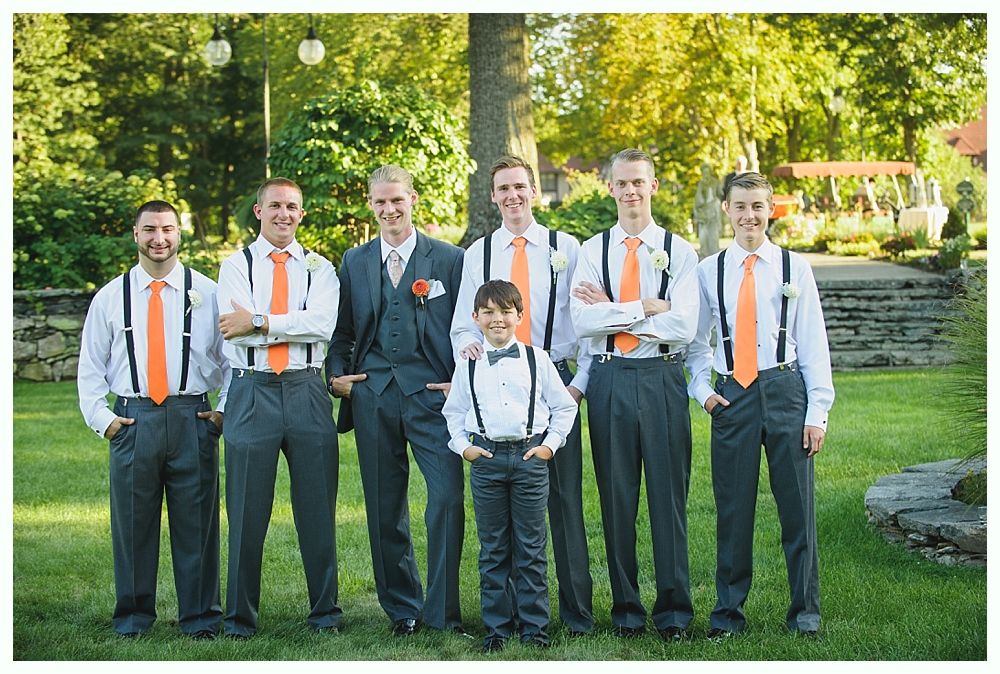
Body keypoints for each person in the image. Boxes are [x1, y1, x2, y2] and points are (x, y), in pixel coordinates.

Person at [450, 155, 594, 636]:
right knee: (500, 533)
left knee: (562, 504)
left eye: (520, 187)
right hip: (494, 387)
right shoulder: (478, 253)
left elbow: (587, 324)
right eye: (503, 188)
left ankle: (573, 612)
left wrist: (579, 383)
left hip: (555, 383)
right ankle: (505, 619)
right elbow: (461, 326)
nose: (512, 195)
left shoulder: (565, 247)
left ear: (534, 191)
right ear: (493, 196)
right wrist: (469, 357)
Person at [687, 171, 834, 639]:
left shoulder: (795, 269)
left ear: (771, 209)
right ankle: (728, 614)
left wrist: (817, 413)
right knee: (732, 509)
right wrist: (703, 390)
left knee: (797, 509)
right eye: (740, 206)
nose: (749, 215)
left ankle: (805, 612)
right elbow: (695, 340)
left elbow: (813, 343)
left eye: (758, 207)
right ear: (725, 210)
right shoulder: (708, 270)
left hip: (786, 390)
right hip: (733, 395)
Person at [77, 200, 230, 639]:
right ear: (135, 235)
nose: (159, 238)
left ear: (179, 233)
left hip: (192, 416)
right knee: (132, 524)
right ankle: (133, 617)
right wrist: (104, 420)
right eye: (150, 230)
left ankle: (200, 617)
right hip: (133, 419)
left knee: (197, 524)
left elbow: (233, 361)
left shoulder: (208, 292)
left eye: (167, 229)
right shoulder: (110, 296)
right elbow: (90, 369)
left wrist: (221, 411)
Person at [326, 165, 467, 637]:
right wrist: (337, 377)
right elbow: (343, 331)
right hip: (374, 395)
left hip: (432, 396)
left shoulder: (449, 258)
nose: (389, 210)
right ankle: (402, 607)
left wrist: (460, 380)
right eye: (380, 202)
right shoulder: (355, 260)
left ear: (413, 200)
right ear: (371, 205)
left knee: (446, 497)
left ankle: (443, 609)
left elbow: (468, 327)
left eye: (397, 200)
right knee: (385, 505)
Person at [569, 148, 699, 640]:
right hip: (608, 380)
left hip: (663, 379)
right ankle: (626, 610)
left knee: (669, 499)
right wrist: (645, 307)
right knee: (616, 498)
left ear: (654, 186)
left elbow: (685, 326)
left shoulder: (679, 251)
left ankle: (673, 613)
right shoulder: (591, 250)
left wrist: (614, 310)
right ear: (609, 189)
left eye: (638, 182)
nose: (630, 191)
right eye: (621, 183)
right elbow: (582, 321)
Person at [216, 177, 341, 638]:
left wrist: (262, 320)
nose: (284, 214)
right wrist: (290, 325)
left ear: (302, 214)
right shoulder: (235, 266)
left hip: (308, 392)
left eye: (292, 207)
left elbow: (323, 324)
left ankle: (325, 613)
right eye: (275, 206)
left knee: (317, 507)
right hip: (253, 392)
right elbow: (234, 328)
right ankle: (239, 619)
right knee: (247, 511)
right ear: (258, 210)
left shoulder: (320, 268)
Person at [443, 280, 578, 652]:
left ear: (519, 315)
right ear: (476, 317)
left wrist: (549, 446)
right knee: (494, 548)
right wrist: (464, 448)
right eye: (488, 312)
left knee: (531, 547)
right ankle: (497, 629)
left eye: (505, 312)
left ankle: (535, 628)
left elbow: (565, 408)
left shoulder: (538, 359)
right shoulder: (467, 364)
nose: (497, 319)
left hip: (529, 459)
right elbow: (452, 412)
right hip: (486, 461)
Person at [693, 162, 723, 258]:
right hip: (704, 213)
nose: (706, 174)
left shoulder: (715, 182)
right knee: (703, 239)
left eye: (707, 172)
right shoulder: (701, 184)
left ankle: (714, 258)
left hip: (714, 211)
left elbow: (720, 194)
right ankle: (704, 257)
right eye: (704, 172)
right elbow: (698, 200)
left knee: (713, 238)